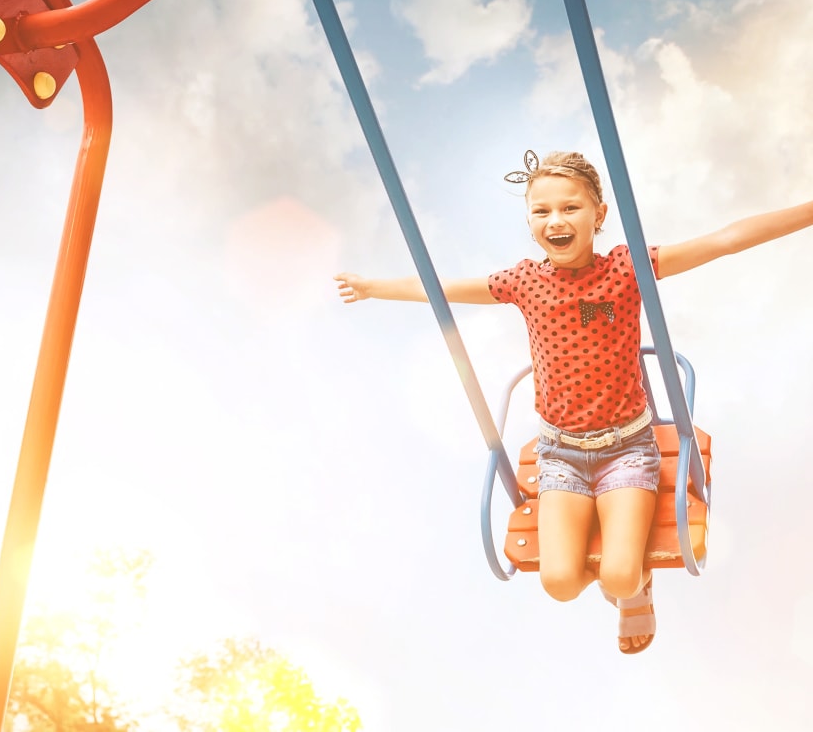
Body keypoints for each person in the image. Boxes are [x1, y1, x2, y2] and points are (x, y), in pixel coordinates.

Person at [334, 150, 813, 654]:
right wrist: (373, 288)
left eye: (570, 208)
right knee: (559, 583)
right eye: (541, 212)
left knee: (623, 575)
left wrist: (807, 211)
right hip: (561, 456)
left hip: (627, 450)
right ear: (530, 221)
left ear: (598, 215)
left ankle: (634, 591)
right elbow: (442, 289)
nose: (555, 221)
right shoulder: (523, 282)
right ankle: (619, 574)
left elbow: (725, 241)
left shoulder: (629, 270)